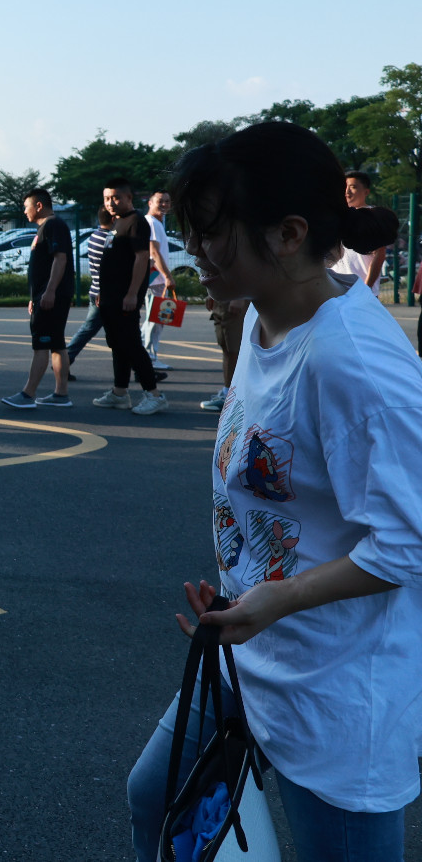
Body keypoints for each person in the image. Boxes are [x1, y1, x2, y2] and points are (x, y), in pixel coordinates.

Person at [126, 122, 418, 862]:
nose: (194, 250)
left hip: (335, 683)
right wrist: (248, 587)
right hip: (250, 645)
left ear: (289, 234)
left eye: (212, 232)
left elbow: (410, 541)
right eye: (191, 231)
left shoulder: (353, 363)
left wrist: (277, 598)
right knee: (157, 798)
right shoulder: (263, 312)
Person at [93, 179, 167, 415]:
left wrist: (133, 293)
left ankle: (154, 395)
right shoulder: (118, 222)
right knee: (117, 344)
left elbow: (141, 258)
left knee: (132, 345)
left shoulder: (136, 222)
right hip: (110, 296)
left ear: (128, 198)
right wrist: (103, 292)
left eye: (115, 197)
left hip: (125, 297)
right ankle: (119, 393)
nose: (110, 203)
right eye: (107, 198)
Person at [2, 188, 73, 408]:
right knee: (56, 343)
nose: (25, 211)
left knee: (41, 344)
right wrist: (35, 297)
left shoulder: (53, 225)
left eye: (27, 207)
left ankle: (28, 394)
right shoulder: (46, 227)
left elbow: (60, 259)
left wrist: (49, 291)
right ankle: (61, 394)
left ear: (39, 206)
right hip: (46, 295)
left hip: (51, 296)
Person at [65, 207, 115, 379]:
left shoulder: (94, 236)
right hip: (104, 293)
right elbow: (107, 268)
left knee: (90, 330)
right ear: (113, 219)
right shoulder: (109, 239)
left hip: (96, 289)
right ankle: (64, 360)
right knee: (123, 334)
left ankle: (64, 361)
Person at [328, 170, 388, 297]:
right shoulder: (338, 216)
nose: (347, 191)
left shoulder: (373, 218)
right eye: (345, 187)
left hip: (361, 292)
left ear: (366, 192)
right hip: (336, 289)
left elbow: (379, 254)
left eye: (353, 187)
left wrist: (366, 287)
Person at [139, 190, 178, 369]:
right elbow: (154, 253)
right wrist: (168, 276)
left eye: (167, 201)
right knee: (154, 320)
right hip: (155, 280)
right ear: (150, 203)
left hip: (156, 279)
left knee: (156, 319)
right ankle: (148, 358)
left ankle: (146, 355)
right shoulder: (152, 223)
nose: (164, 205)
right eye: (160, 201)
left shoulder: (156, 223)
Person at [200, 296, 248, 411]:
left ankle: (232, 397)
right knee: (226, 346)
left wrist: (239, 297)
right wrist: (213, 293)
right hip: (223, 298)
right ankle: (229, 392)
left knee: (234, 348)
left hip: (235, 296)